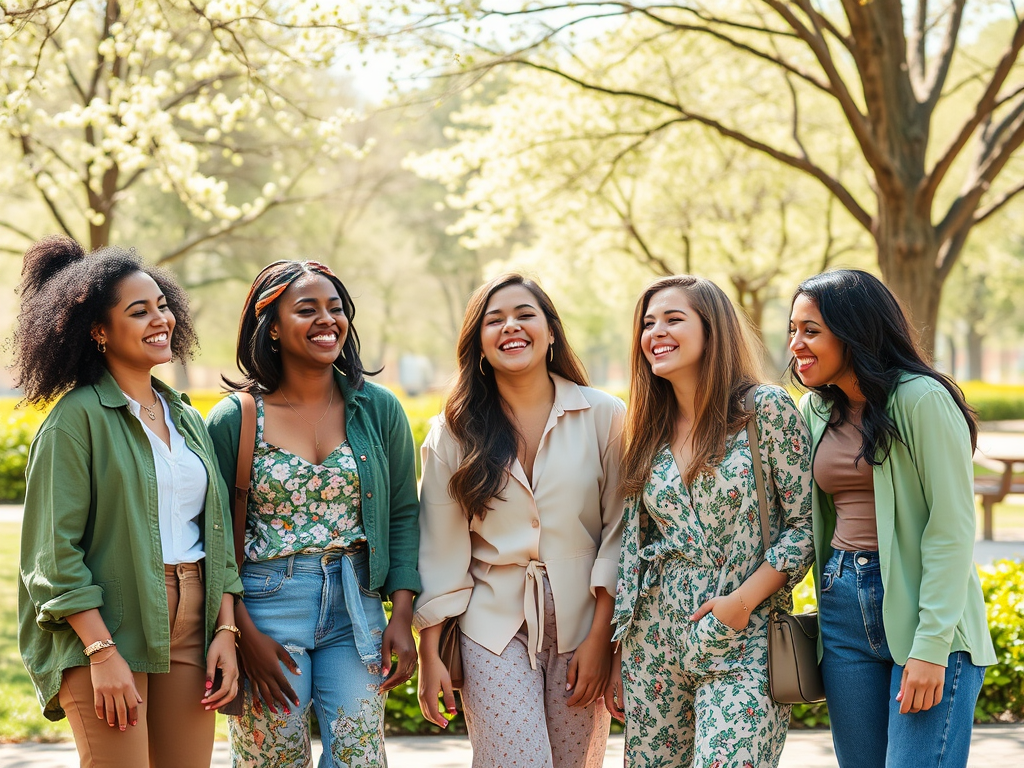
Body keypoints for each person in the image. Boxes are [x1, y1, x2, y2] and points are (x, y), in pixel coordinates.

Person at [15, 235, 241, 768]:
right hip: (106, 622)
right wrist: (100, 651)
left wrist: (224, 629)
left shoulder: (184, 415)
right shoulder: (75, 421)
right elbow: (53, 555)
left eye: (162, 305)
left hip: (192, 620)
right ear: (98, 331)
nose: (159, 319)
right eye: (138, 312)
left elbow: (215, 534)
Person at [206, 259, 420, 768]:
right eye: (307, 309)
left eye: (336, 308)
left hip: (356, 603)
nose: (328, 319)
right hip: (265, 605)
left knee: (360, 758)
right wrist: (240, 632)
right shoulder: (234, 419)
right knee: (271, 759)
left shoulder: (378, 408)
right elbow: (210, 535)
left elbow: (403, 514)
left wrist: (402, 613)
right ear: (272, 328)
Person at [415, 273, 624, 768]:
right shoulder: (452, 432)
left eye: (525, 314)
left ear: (551, 331)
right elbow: (439, 547)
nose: (511, 326)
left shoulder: (604, 415)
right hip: (493, 624)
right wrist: (429, 653)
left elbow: (620, 531)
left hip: (583, 625)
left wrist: (601, 641)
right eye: (494, 320)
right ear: (479, 344)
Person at [788, 269, 995, 768]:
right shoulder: (814, 411)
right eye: (792, 330)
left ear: (855, 330)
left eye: (810, 330)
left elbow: (951, 528)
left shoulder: (921, 399)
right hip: (841, 608)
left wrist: (930, 648)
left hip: (927, 613)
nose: (795, 344)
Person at [612, 275, 814, 767]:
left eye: (674, 319)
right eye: (648, 323)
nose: (656, 332)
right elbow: (632, 548)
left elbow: (805, 527)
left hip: (744, 635)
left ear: (712, 328)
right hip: (653, 642)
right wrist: (620, 651)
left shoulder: (763, 409)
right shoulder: (645, 429)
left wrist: (740, 604)